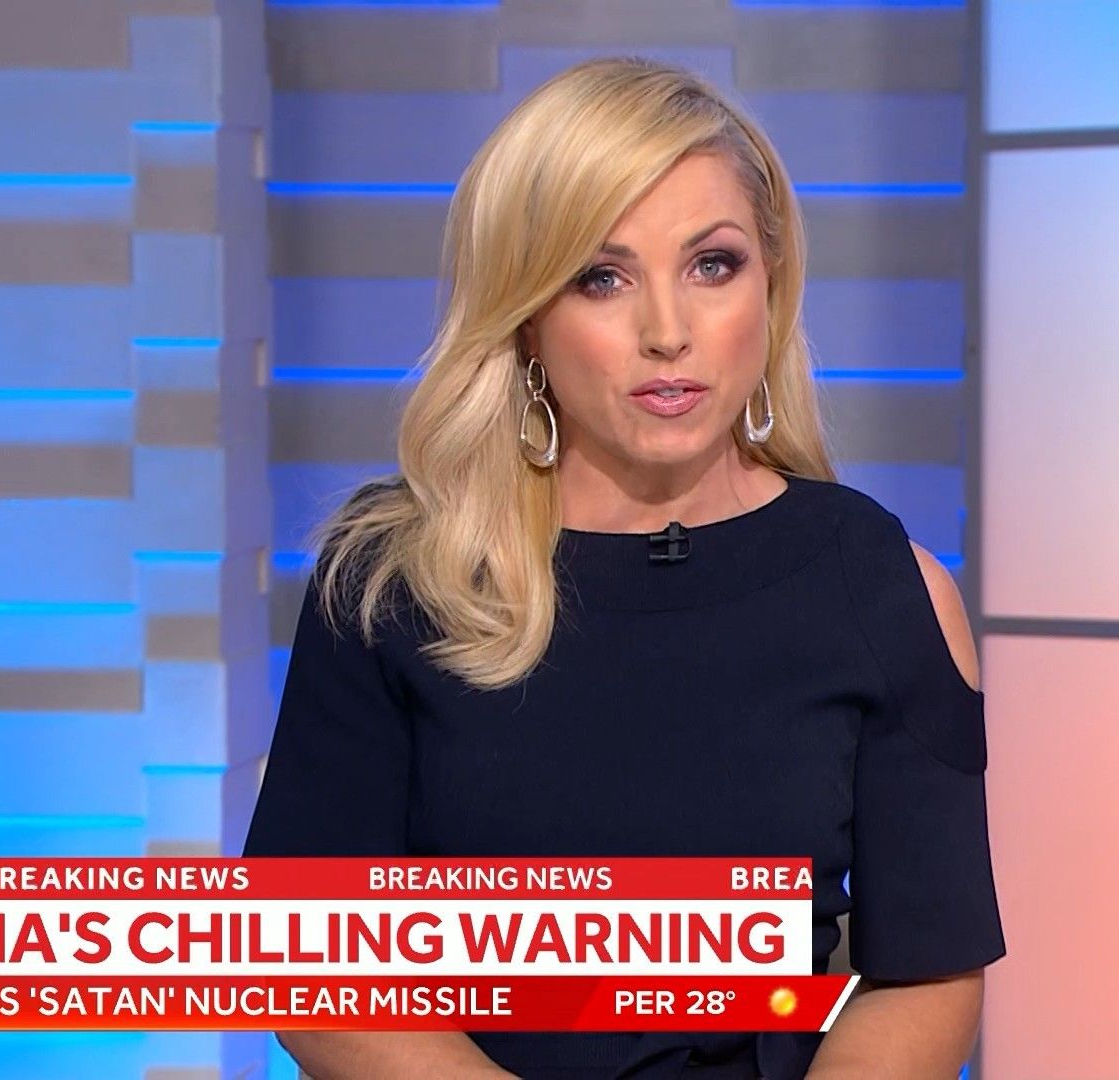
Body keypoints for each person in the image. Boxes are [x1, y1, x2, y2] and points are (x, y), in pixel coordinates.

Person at [241, 56, 1004, 1080]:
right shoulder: (390, 581)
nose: (667, 333)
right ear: (526, 316)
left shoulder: (882, 587)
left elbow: (929, 973)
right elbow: (318, 974)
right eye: (601, 278)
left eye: (713, 265)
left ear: (771, 288)